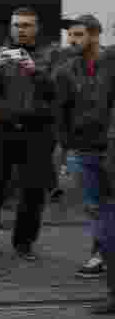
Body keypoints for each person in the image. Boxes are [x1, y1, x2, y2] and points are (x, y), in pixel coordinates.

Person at [0, 7, 61, 261]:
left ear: (37, 28)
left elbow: (57, 93)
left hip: (37, 129)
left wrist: (35, 70)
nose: (21, 30)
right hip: (3, 128)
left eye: (27, 25)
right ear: (10, 27)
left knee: (33, 190)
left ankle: (24, 243)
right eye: (17, 25)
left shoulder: (51, 54)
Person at [55, 15, 110, 279]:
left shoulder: (112, 63)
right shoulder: (66, 70)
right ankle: (101, 255)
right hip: (83, 147)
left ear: (96, 35)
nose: (72, 40)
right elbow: (60, 110)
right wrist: (66, 149)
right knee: (94, 206)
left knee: (107, 206)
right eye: (71, 35)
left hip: (111, 146)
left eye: (78, 34)